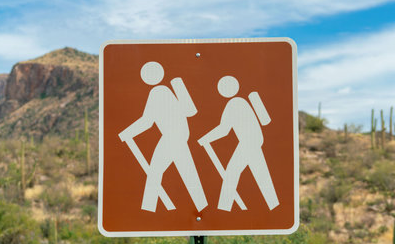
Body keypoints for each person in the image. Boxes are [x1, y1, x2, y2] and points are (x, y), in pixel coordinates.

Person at [119, 61, 208, 212]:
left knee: (155, 171)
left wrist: (127, 133)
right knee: (188, 172)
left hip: (171, 137)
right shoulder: (167, 91)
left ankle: (148, 209)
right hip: (180, 136)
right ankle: (202, 206)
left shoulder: (157, 92)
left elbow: (148, 121)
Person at [198, 76, 279, 211]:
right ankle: (274, 205)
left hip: (248, 142)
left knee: (232, 172)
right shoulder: (241, 102)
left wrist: (205, 138)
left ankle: (224, 208)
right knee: (261, 174)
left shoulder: (234, 104)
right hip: (254, 141)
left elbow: (224, 129)